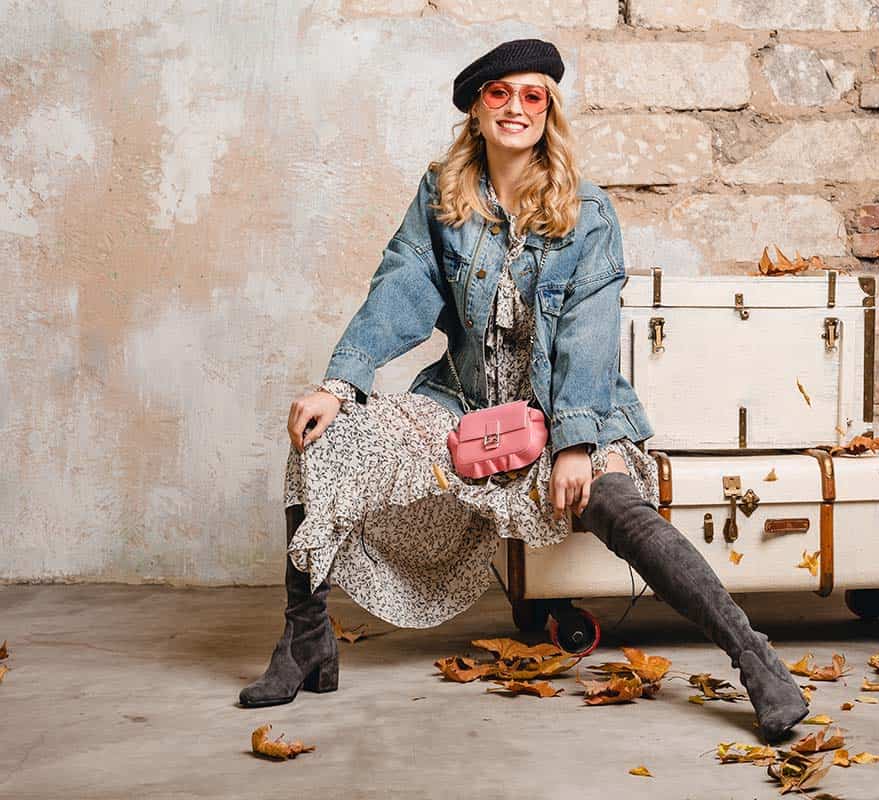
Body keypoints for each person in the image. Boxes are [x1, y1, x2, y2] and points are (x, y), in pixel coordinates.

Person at [238, 38, 809, 743]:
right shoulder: (441, 197)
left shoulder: (588, 212)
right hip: (464, 406)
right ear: (476, 110)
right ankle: (305, 642)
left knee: (619, 507)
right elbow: (401, 287)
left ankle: (756, 662)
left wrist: (575, 443)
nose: (515, 108)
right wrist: (340, 381)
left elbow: (589, 337)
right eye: (498, 94)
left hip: (570, 409)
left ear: (548, 111)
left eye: (532, 95)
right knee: (325, 436)